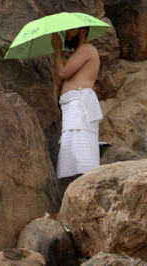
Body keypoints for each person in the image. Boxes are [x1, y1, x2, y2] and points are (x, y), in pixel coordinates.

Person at [50, 25, 103, 194]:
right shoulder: (77, 54)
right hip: (71, 107)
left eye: (70, 31)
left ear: (82, 32)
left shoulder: (87, 49)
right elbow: (59, 79)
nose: (66, 34)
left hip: (79, 106)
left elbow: (64, 72)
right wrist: (56, 53)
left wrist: (58, 50)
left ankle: (87, 188)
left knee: (82, 147)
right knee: (70, 148)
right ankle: (72, 191)